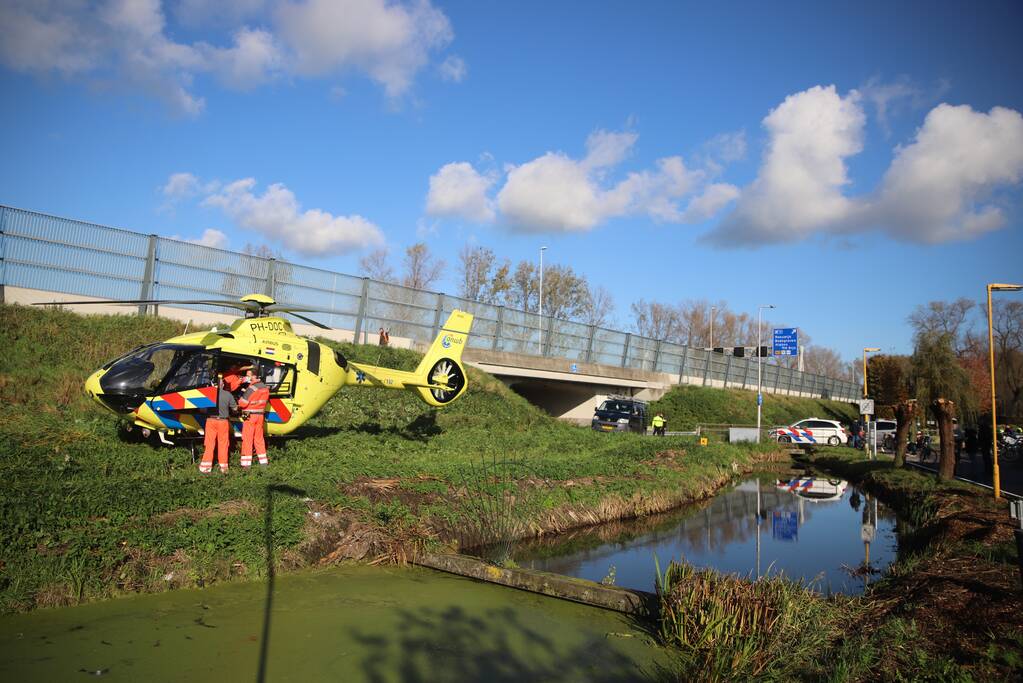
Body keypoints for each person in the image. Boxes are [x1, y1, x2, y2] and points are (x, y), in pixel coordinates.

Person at [199, 376, 237, 474]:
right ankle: (224, 468)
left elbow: (201, 409)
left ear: (214, 384)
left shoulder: (208, 394)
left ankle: (205, 468)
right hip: (223, 422)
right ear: (223, 384)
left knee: (209, 443)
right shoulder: (228, 395)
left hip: (211, 421)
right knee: (223, 444)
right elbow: (235, 409)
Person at [238, 369, 270, 468]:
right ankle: (263, 462)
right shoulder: (265, 387)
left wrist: (241, 397)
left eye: (249, 375)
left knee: (247, 438)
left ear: (255, 376)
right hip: (260, 415)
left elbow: (242, 403)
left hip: (249, 414)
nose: (247, 378)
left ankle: (246, 464)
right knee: (259, 438)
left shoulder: (251, 388)